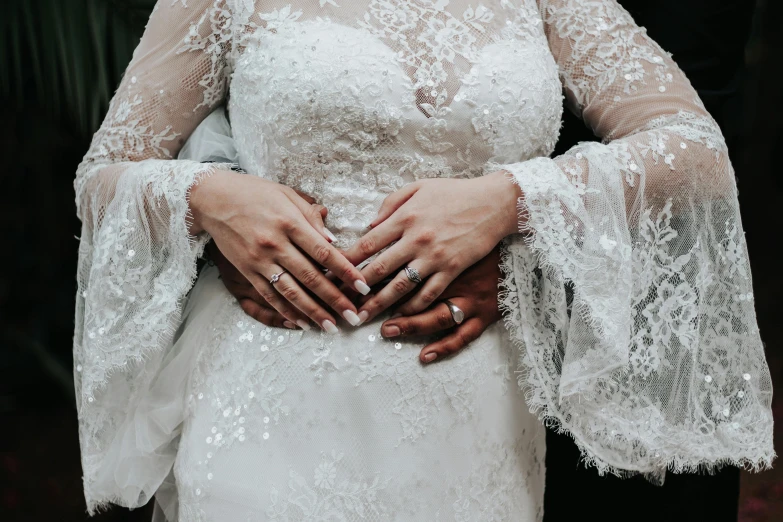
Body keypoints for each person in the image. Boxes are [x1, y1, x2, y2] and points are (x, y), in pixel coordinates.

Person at [72, 1, 774, 521]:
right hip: (271, 391)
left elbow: (692, 149)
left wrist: (512, 201)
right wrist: (207, 195)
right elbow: (105, 173)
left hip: (471, 410)